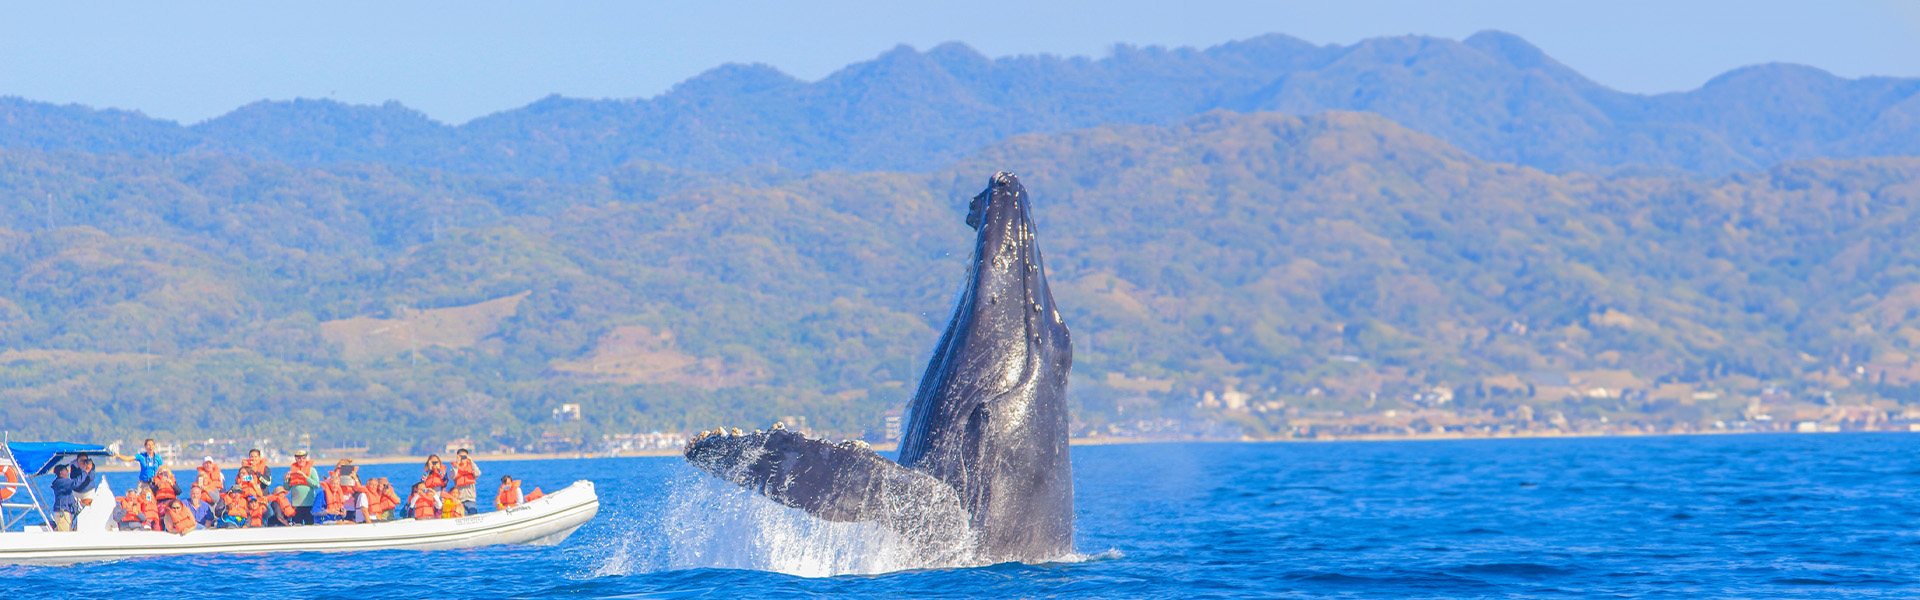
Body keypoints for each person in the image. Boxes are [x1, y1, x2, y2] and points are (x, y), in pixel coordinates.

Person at [49, 461, 97, 531]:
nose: (68, 471)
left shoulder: (63, 483)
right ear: (61, 473)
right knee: (64, 535)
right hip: (63, 513)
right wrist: (86, 471)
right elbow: (76, 483)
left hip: (65, 513)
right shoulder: (62, 482)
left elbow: (68, 497)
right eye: (65, 469)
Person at [284, 450, 319, 525]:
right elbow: (286, 488)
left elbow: (316, 485)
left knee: (309, 526)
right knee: (297, 526)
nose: (301, 460)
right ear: (296, 459)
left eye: (303, 458)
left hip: (309, 505)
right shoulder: (292, 471)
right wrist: (286, 480)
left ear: (306, 458)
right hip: (296, 505)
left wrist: (305, 477)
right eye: (299, 458)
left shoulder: (312, 470)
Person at [449, 449, 482, 514]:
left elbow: (478, 473)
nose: (463, 459)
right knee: (459, 514)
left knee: (473, 513)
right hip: (459, 499)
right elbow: (452, 476)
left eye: (464, 457)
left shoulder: (472, 467)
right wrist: (457, 465)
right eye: (461, 456)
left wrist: (471, 461)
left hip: (470, 498)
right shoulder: (454, 468)